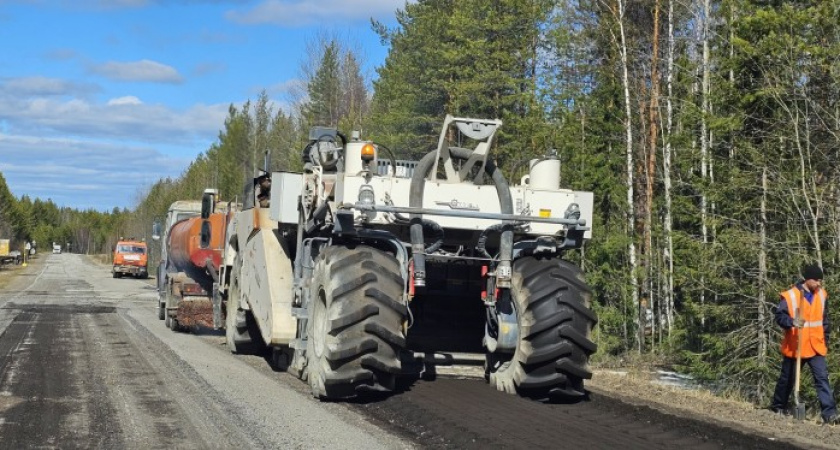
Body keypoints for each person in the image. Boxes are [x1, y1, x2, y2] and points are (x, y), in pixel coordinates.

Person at [769, 264, 838, 424]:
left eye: (820, 280)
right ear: (808, 279)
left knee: (822, 379)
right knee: (787, 379)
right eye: (817, 280)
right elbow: (779, 317)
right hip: (796, 346)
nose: (819, 283)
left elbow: (825, 321)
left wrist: (825, 341)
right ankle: (778, 407)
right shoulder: (791, 296)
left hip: (816, 346)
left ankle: (830, 414)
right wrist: (792, 321)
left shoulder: (822, 295)